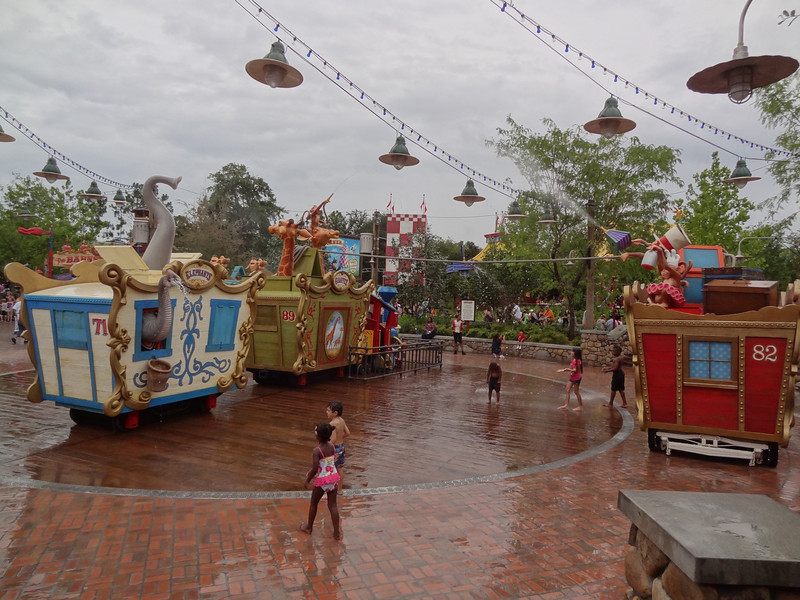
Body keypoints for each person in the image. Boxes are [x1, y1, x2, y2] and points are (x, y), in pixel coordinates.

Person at [299, 422, 342, 539]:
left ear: (318, 436)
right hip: (333, 478)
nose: (314, 433)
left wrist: (307, 480)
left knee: (314, 503)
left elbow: (315, 468)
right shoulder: (332, 447)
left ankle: (309, 527)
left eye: (315, 432)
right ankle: (337, 533)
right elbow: (327, 462)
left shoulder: (316, 451)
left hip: (322, 480)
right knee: (333, 506)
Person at [326, 401, 350, 493]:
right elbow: (347, 433)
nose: (326, 412)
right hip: (341, 447)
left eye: (328, 410)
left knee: (330, 469)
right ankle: (340, 490)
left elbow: (333, 439)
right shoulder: (341, 420)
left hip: (335, 449)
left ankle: (330, 490)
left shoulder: (332, 424)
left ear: (335, 413)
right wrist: (340, 437)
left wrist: (325, 447)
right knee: (339, 468)